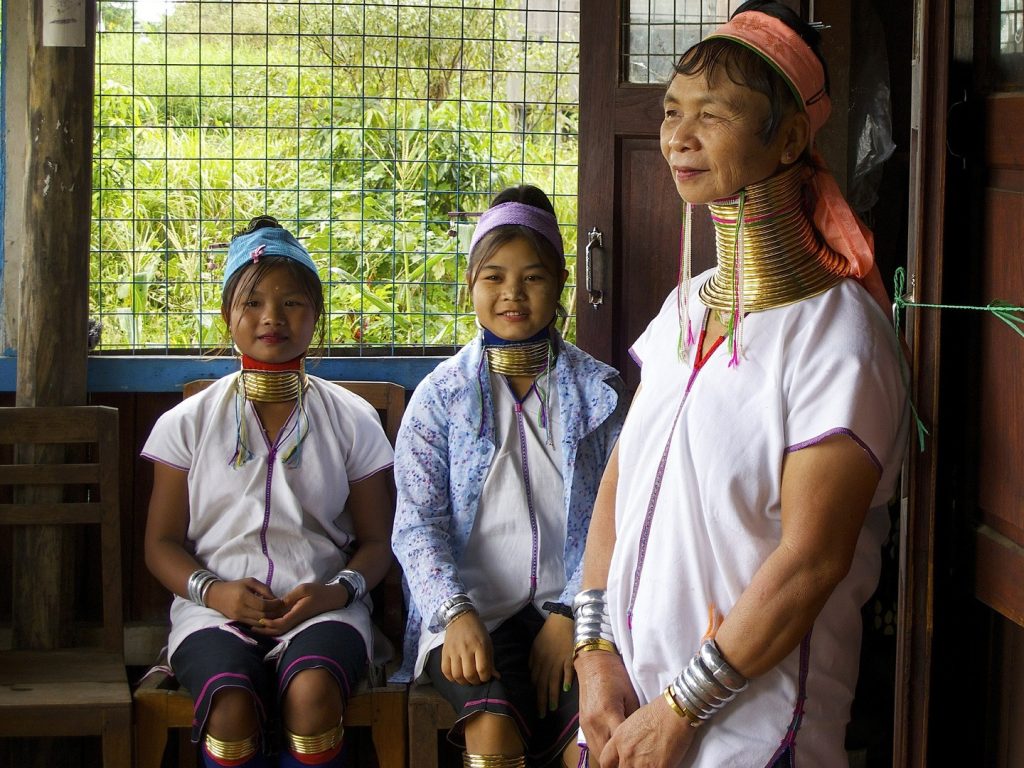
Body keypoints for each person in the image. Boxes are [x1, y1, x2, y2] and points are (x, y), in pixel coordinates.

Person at [572, 3, 910, 767]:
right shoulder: (686, 307)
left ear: (789, 138)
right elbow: (618, 486)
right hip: (632, 711)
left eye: (712, 116)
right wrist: (595, 656)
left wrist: (679, 711)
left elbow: (811, 561)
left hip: (749, 734)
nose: (677, 137)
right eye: (671, 112)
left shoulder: (839, 338)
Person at [142, 216, 395, 768]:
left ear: (317, 314)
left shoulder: (352, 421)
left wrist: (335, 593)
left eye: (293, 303)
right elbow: (160, 544)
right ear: (227, 315)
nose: (271, 318)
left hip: (325, 609)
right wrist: (215, 593)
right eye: (252, 302)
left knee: (312, 695)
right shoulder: (187, 423)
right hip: (211, 611)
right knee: (230, 705)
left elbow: (378, 543)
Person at [391, 185, 628, 768]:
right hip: (468, 616)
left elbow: (619, 517)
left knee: (596, 739)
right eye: (493, 277)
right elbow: (416, 528)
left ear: (561, 283)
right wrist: (454, 612)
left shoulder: (599, 395)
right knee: (493, 733)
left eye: (533, 277)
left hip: (574, 612)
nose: (512, 295)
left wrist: (570, 613)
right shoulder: (439, 399)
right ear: (470, 284)